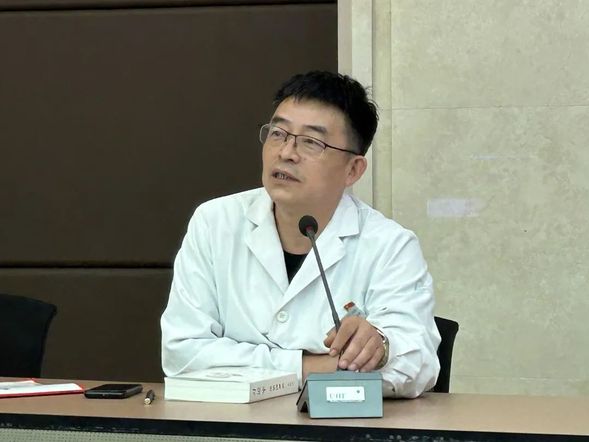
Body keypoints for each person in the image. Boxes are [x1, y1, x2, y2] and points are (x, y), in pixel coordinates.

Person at [161, 71, 440, 398]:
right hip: (234, 421)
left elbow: (418, 365)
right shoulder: (215, 223)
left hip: (337, 425)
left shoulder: (389, 245)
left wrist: (380, 348)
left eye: (311, 142)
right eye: (278, 134)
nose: (286, 153)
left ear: (353, 170)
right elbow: (181, 355)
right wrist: (306, 367)